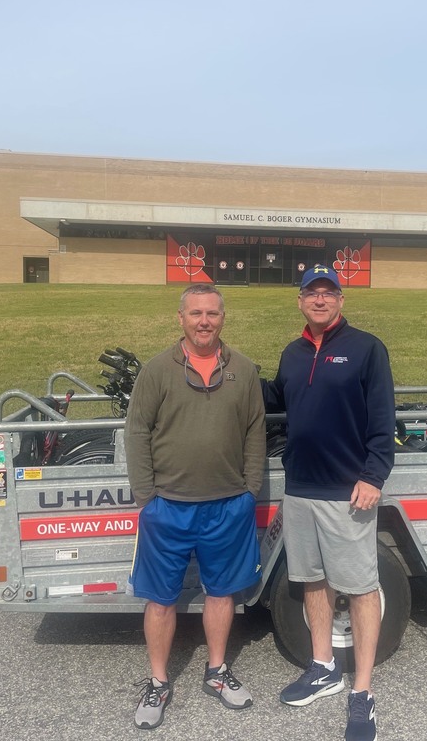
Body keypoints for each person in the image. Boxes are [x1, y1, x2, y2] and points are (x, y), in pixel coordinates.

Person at [262, 264, 396, 741]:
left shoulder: (366, 349)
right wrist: (229, 371)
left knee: (360, 588)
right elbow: (276, 397)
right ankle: (323, 668)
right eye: (311, 293)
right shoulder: (293, 353)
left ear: (341, 300)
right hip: (300, 487)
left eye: (328, 292)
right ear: (299, 301)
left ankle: (362, 691)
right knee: (311, 580)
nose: (320, 300)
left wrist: (374, 474)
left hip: (347, 491)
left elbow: (383, 419)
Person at [125, 282, 266, 730]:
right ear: (181, 318)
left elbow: (255, 434)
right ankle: (159, 681)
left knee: (221, 593)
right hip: (168, 505)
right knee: (160, 599)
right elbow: (138, 433)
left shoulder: (243, 369)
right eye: (195, 313)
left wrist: (250, 490)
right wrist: (146, 497)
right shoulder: (156, 370)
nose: (204, 321)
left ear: (223, 318)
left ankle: (217, 671)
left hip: (228, 505)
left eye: (213, 313)